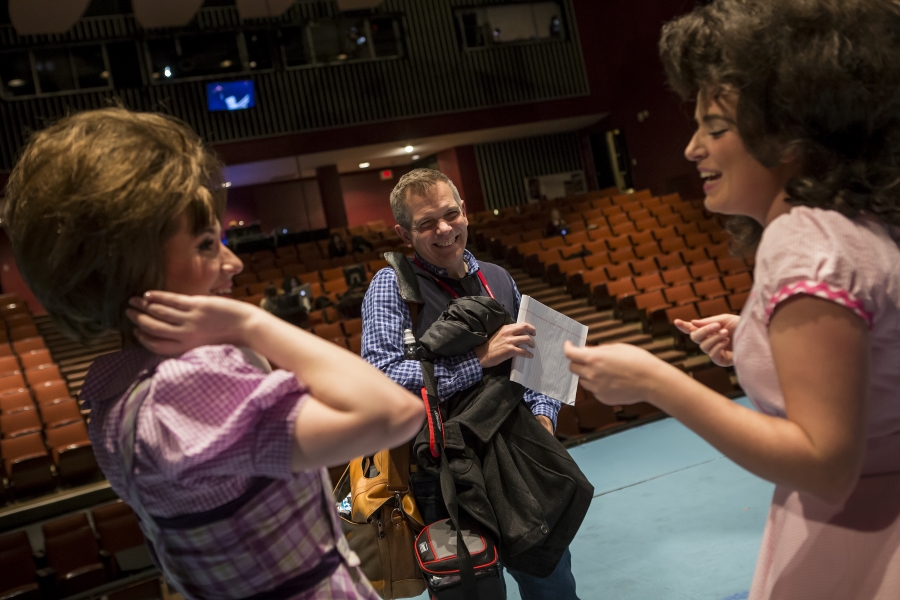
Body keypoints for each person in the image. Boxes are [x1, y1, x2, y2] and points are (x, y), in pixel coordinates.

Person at [4, 108, 424, 600]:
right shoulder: (190, 387)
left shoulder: (114, 387)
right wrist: (250, 321)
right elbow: (395, 412)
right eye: (207, 244)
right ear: (132, 269)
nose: (234, 262)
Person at [565, 1, 900, 598]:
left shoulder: (804, 239)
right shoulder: (856, 221)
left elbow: (825, 462)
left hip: (862, 541)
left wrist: (656, 381)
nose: (692, 149)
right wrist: (757, 335)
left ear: (791, 137)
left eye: (714, 129)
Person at [361, 168, 580, 600]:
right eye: (426, 223)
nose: (444, 229)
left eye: (450, 214)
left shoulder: (498, 278)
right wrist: (478, 360)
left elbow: (539, 359)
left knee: (552, 586)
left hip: (519, 458)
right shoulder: (391, 286)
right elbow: (380, 378)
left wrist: (543, 417)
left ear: (465, 211)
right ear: (404, 233)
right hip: (441, 473)